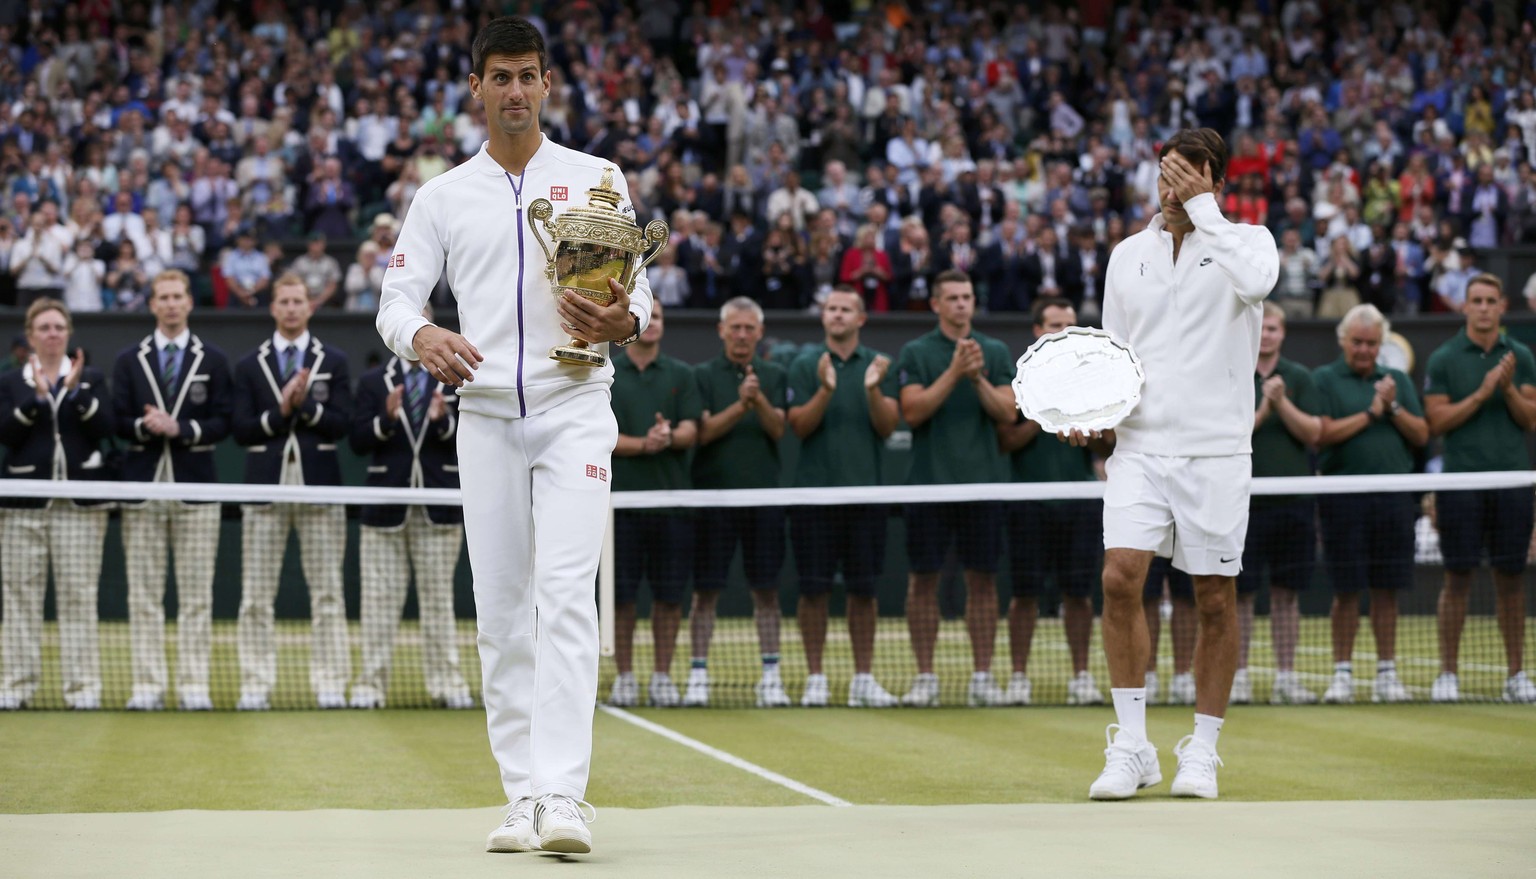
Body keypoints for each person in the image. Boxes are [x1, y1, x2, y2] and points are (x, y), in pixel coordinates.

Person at [375, 17, 653, 856]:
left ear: (546, 82)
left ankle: (563, 796)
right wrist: (421, 337)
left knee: (565, 597)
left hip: (576, 407)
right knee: (500, 612)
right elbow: (396, 302)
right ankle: (520, 796)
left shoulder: (598, 178)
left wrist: (623, 317)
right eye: (500, 77)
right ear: (476, 88)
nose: (516, 91)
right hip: (487, 418)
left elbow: (641, 302)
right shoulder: (442, 194)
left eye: (528, 75)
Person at [1085, 129, 1278, 801]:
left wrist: (1206, 213)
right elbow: (1113, 353)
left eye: (1185, 177)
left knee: (1215, 599)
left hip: (1217, 452)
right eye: (1164, 176)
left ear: (1212, 180)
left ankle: (1203, 748)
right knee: (1119, 578)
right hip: (1139, 449)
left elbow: (1257, 283)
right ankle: (1133, 746)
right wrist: (1092, 411)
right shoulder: (1125, 256)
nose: (1171, 189)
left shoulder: (1247, 244)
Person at [112, 270, 234, 711]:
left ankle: (193, 685)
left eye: (177, 296)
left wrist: (180, 428)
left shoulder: (213, 359)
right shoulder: (130, 359)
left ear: (188, 303)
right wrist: (145, 426)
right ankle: (147, 686)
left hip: (196, 490)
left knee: (196, 596)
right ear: (152, 304)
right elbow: (116, 420)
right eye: (161, 297)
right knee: (143, 596)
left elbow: (224, 422)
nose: (169, 303)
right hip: (144, 489)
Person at [231, 275, 354, 711]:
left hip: (319, 489)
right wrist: (280, 412)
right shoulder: (250, 364)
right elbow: (242, 430)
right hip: (265, 490)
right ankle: (255, 684)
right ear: (272, 308)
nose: (290, 308)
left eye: (297, 301)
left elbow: (341, 425)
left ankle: (330, 683)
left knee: (327, 593)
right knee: (256, 595)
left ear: (309, 307)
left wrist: (307, 407)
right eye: (282, 301)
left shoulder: (333, 360)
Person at [896, 269, 1017, 707]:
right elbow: (912, 413)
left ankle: (982, 676)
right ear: (936, 305)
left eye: (967, 296)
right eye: (952, 297)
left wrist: (976, 377)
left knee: (982, 583)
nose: (961, 304)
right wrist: (953, 371)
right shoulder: (916, 351)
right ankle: (925, 677)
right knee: (922, 582)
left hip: (983, 488)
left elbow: (1007, 413)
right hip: (927, 488)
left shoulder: (996, 351)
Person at [348, 303, 473, 711]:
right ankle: (370, 686)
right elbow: (359, 441)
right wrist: (385, 420)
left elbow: (469, 437)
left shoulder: (456, 375)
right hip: (386, 505)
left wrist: (441, 422)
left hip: (439, 507)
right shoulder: (373, 382)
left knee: (439, 601)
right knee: (379, 602)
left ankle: (446, 683)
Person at [786, 286, 901, 708]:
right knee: (813, 591)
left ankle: (863, 679)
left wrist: (872, 390)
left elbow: (888, 427)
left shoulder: (879, 365)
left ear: (860, 318)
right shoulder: (804, 363)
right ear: (824, 317)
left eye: (845, 309)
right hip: (814, 498)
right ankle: (816, 677)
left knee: (864, 592)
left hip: (865, 497)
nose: (836, 315)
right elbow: (798, 426)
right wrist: (826, 389)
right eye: (831, 309)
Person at [1423, 275, 1536, 703]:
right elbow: (1437, 423)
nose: (1484, 307)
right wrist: (1484, 391)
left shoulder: (1520, 356)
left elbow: (1530, 419)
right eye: (1477, 300)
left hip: (1512, 481)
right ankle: (1447, 675)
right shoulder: (1445, 358)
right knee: (1457, 578)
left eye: (1491, 300)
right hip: (1461, 482)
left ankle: (1516, 676)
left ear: (1502, 306)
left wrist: (1506, 389)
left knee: (1511, 580)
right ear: (1466, 307)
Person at [0, 300, 114, 710]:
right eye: (44, 327)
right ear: (31, 336)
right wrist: (36, 400)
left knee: (79, 596)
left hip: (79, 505)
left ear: (68, 333)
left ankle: (82, 689)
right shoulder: (12, 382)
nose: (52, 334)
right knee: (18, 597)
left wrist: (75, 394)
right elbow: (6, 434)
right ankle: (15, 686)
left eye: (58, 327)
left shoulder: (92, 379)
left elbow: (106, 428)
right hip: (23, 504)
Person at [1313, 304, 1428, 704]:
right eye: (1357, 342)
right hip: (1343, 499)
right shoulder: (1325, 379)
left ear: (1381, 345)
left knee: (1386, 589)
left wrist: (1393, 407)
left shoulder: (1396, 379)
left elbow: (1421, 433)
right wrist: (1370, 413)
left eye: (1371, 344)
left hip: (1394, 498)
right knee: (1346, 591)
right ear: (1344, 341)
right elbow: (1321, 434)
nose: (1364, 350)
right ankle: (1342, 674)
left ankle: (1386, 673)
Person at [997, 296, 1102, 706]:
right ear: (1038, 330)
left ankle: (1081, 677)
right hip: (1029, 500)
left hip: (1077, 498)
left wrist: (1089, 423)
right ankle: (1019, 678)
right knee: (1024, 594)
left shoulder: (1094, 376)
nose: (1064, 331)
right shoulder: (1020, 379)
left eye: (1070, 324)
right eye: (1055, 324)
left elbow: (1108, 444)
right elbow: (1007, 440)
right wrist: (1045, 412)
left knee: (1079, 594)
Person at [685, 296, 788, 708]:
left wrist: (758, 399)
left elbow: (779, 429)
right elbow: (704, 433)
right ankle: (697, 675)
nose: (742, 335)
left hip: (763, 499)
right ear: (722, 331)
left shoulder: (775, 375)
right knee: (705, 593)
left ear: (759, 333)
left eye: (749, 328)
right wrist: (741, 403)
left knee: (767, 593)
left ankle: (771, 674)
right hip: (712, 499)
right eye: (736, 328)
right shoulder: (703, 375)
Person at [607, 299, 700, 709]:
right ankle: (624, 677)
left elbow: (691, 429)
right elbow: (601, 436)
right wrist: (645, 444)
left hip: (672, 507)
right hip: (619, 508)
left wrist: (669, 436)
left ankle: (662, 676)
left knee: (668, 598)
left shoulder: (682, 374)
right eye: (651, 315)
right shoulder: (606, 371)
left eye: (660, 317)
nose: (654, 322)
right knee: (622, 599)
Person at [1236, 302, 1323, 705]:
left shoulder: (1300, 377)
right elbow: (1230, 434)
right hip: (1242, 501)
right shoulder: (1233, 371)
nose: (1267, 334)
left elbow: (1314, 435)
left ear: (1283, 334)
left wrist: (1282, 402)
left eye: (1273, 328)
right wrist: (1264, 407)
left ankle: (1286, 676)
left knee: (1288, 595)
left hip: (1294, 503)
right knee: (1241, 595)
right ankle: (1237, 677)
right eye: (1262, 327)